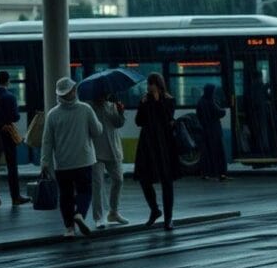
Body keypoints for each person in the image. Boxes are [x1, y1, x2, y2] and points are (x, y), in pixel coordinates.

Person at [40, 77, 102, 238]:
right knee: (85, 191)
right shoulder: (85, 109)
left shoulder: (52, 114)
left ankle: (69, 229)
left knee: (65, 196)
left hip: (63, 163)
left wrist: (45, 162)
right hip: (84, 160)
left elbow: (47, 141)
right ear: (73, 91)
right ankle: (80, 213)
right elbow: (97, 131)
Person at [134, 72, 178, 230]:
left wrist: (158, 101)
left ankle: (168, 218)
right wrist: (143, 105)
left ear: (159, 85)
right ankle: (154, 209)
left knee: (167, 181)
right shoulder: (145, 100)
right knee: (144, 179)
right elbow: (139, 121)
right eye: (148, 84)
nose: (149, 87)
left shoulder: (169, 100)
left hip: (164, 144)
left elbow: (167, 119)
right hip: (148, 144)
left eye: (152, 84)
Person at [0, 70, 30, 209]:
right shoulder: (10, 97)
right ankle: (15, 197)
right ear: (8, 81)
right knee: (12, 167)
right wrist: (4, 123)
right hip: (7, 135)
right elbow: (15, 117)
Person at [88, 93, 129, 228]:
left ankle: (113, 212)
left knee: (119, 179)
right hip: (96, 151)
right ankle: (99, 217)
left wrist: (121, 112)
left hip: (113, 149)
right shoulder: (89, 108)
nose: (103, 96)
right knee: (97, 185)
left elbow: (119, 124)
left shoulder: (112, 106)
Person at [196, 84, 230, 181]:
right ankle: (221, 174)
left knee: (207, 154)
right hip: (214, 131)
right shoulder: (211, 102)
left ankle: (207, 173)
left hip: (205, 131)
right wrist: (223, 110)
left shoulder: (200, 102)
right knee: (219, 153)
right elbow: (220, 113)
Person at [247, 72, 273, 155]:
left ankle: (261, 148)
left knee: (259, 131)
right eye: (261, 77)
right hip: (261, 113)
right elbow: (267, 94)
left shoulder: (252, 87)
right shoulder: (259, 86)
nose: (261, 79)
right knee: (263, 131)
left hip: (255, 113)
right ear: (258, 78)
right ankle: (264, 149)